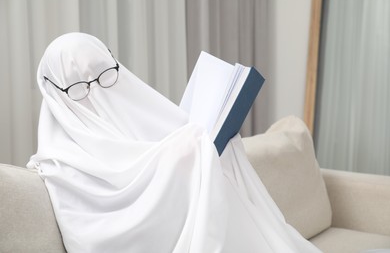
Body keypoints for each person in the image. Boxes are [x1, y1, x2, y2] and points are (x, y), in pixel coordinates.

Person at [28, 32, 321, 253]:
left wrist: (206, 146)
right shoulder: (59, 163)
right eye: (79, 85)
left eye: (104, 73)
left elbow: (165, 153)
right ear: (55, 94)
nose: (96, 90)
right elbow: (94, 232)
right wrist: (183, 157)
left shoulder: (129, 109)